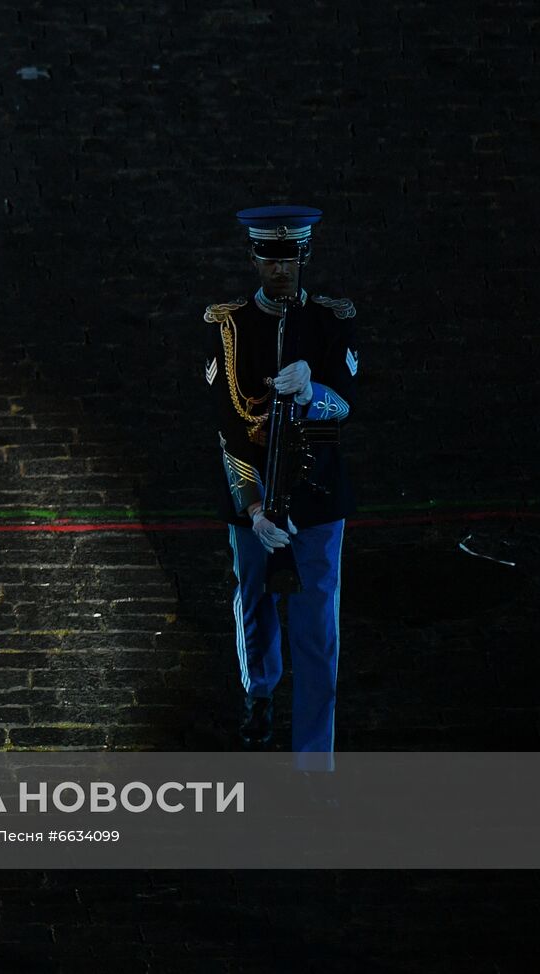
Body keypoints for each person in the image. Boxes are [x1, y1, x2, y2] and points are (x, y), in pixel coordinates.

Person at [203, 205, 359, 767]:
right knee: (254, 602)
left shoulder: (333, 320)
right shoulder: (229, 325)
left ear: (304, 257)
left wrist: (312, 389)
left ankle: (315, 758)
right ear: (254, 258)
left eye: (288, 258)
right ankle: (260, 692)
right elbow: (228, 426)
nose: (279, 270)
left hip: (317, 495)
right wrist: (254, 507)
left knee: (318, 630)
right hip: (253, 494)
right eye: (269, 258)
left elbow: (343, 402)